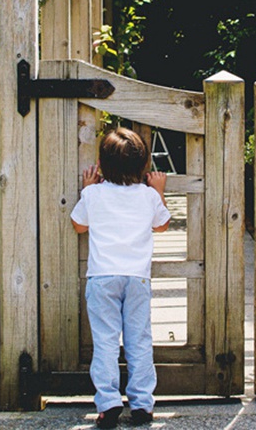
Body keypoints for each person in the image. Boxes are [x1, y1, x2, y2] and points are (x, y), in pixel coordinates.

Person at [70, 127, 170, 429]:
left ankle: (108, 403)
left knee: (105, 342)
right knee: (139, 340)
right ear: (143, 165)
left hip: (102, 278)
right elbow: (161, 225)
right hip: (137, 279)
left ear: (102, 165)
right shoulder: (147, 196)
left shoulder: (93, 193)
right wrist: (159, 190)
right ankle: (141, 404)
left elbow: (78, 226)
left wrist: (87, 188)